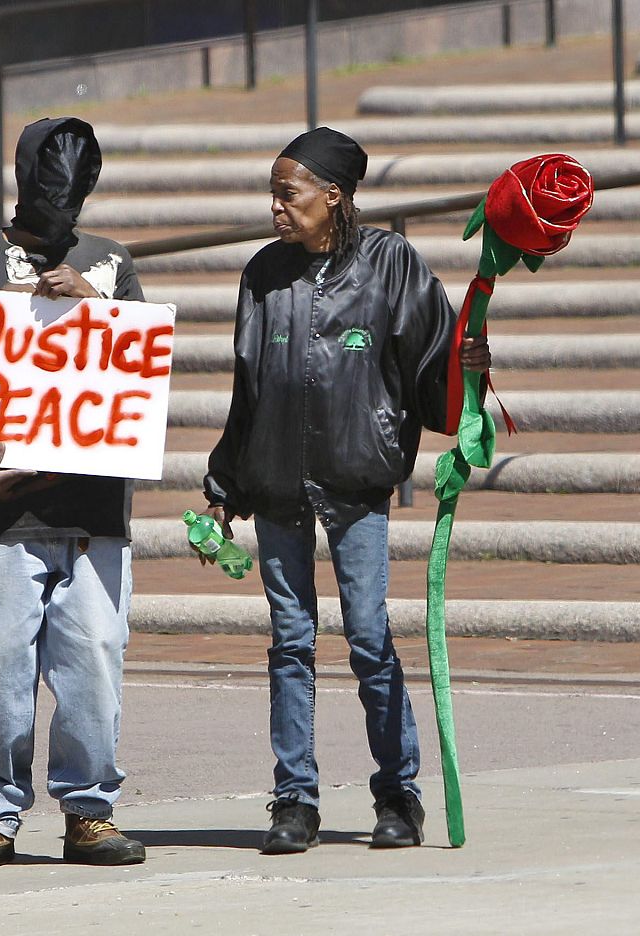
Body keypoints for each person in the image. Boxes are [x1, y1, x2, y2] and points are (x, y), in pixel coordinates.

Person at [200, 127, 491, 855]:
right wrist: (224, 482)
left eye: (287, 194)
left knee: (368, 637)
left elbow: (434, 361)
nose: (276, 207)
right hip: (275, 482)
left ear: (333, 195)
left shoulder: (390, 262)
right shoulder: (263, 274)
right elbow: (248, 386)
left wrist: (470, 368)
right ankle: (294, 800)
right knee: (290, 643)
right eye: (272, 195)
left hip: (357, 479)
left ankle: (398, 794)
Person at [0, 116, 148, 873]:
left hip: (94, 513)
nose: (64, 205)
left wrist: (96, 303)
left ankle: (90, 810)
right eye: (53, 187)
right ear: (25, 180)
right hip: (1, 516)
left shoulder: (112, 264)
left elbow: (141, 375)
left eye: (75, 190)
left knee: (94, 664)